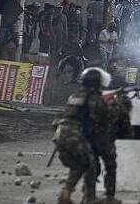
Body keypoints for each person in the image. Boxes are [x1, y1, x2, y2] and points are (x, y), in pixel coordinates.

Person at [52, 67, 110, 204]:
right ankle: (89, 198)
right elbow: (102, 121)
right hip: (74, 135)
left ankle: (65, 193)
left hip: (60, 134)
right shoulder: (94, 98)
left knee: (78, 165)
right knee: (91, 164)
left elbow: (62, 117)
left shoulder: (74, 96)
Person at [92, 88, 133, 204]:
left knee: (92, 167)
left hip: (91, 139)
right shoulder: (121, 109)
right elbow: (127, 133)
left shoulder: (99, 102)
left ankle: (89, 195)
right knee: (110, 168)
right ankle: (109, 197)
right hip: (106, 141)